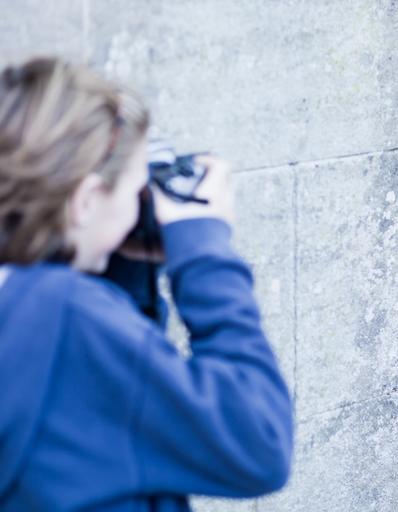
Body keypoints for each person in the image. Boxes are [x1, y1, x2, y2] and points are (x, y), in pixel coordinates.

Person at [0, 57, 293, 510]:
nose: (140, 208)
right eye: (134, 189)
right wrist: (204, 256)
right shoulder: (71, 317)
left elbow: (105, 424)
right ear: (85, 201)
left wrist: (121, 268)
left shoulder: (29, 311)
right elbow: (260, 442)